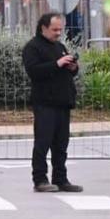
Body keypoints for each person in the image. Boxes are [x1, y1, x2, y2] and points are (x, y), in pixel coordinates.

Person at [22, 13, 84, 194]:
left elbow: (65, 72)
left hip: (63, 102)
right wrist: (57, 64)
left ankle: (61, 178)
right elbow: (34, 71)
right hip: (45, 102)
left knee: (61, 145)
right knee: (43, 142)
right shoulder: (33, 48)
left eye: (60, 29)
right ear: (43, 28)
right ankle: (40, 179)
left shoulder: (60, 46)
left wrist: (73, 67)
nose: (58, 33)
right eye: (54, 29)